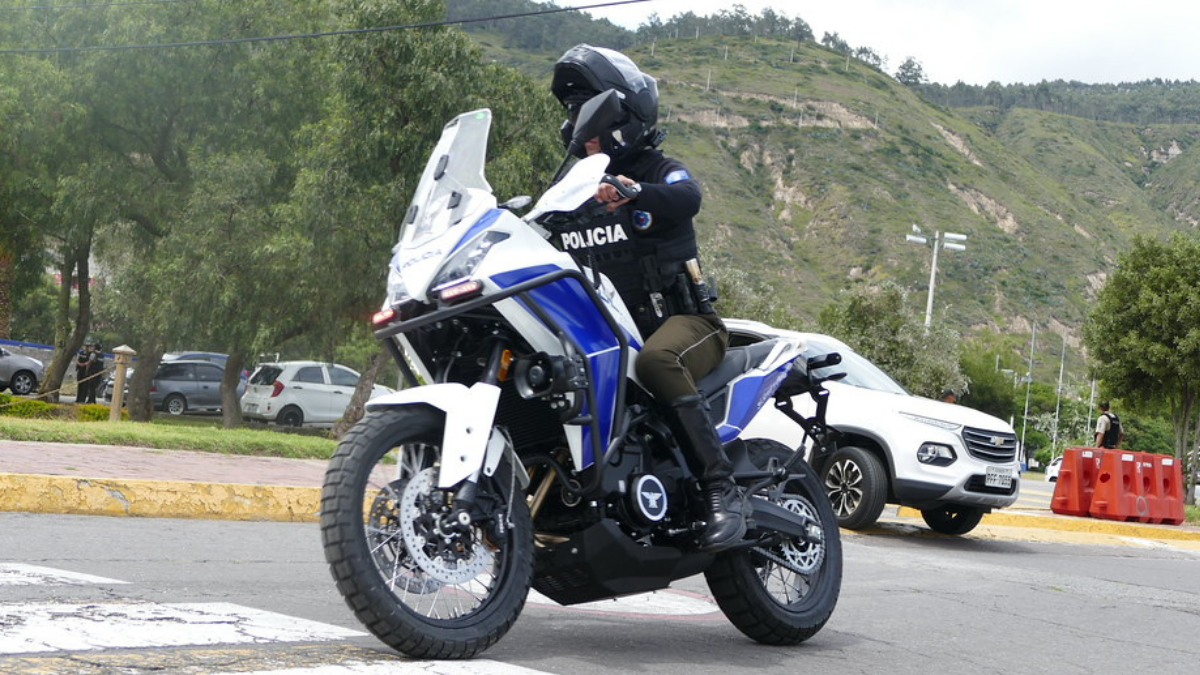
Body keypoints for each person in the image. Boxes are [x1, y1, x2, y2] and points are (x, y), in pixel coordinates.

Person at [550, 44, 744, 551]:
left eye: (587, 114)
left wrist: (634, 191)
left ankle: (722, 491)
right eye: (573, 116)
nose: (578, 128)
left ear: (621, 118)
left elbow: (689, 196)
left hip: (687, 326)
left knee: (657, 362)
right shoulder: (573, 196)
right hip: (617, 337)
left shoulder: (658, 170)